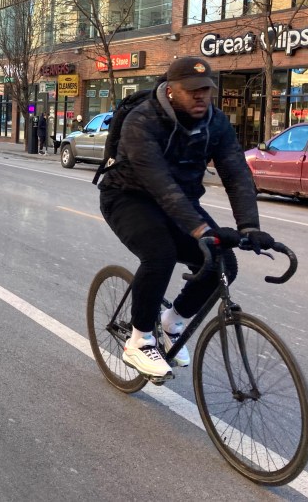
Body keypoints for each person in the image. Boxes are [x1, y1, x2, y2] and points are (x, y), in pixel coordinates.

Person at [98, 56, 273, 378]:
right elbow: (161, 184)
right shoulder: (142, 121)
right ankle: (139, 340)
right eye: (191, 90)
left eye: (206, 89)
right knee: (159, 253)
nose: (200, 96)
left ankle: (172, 320)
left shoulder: (215, 123)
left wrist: (250, 226)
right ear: (171, 88)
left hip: (180, 202)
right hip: (128, 196)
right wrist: (201, 229)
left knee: (223, 262)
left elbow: (235, 174)